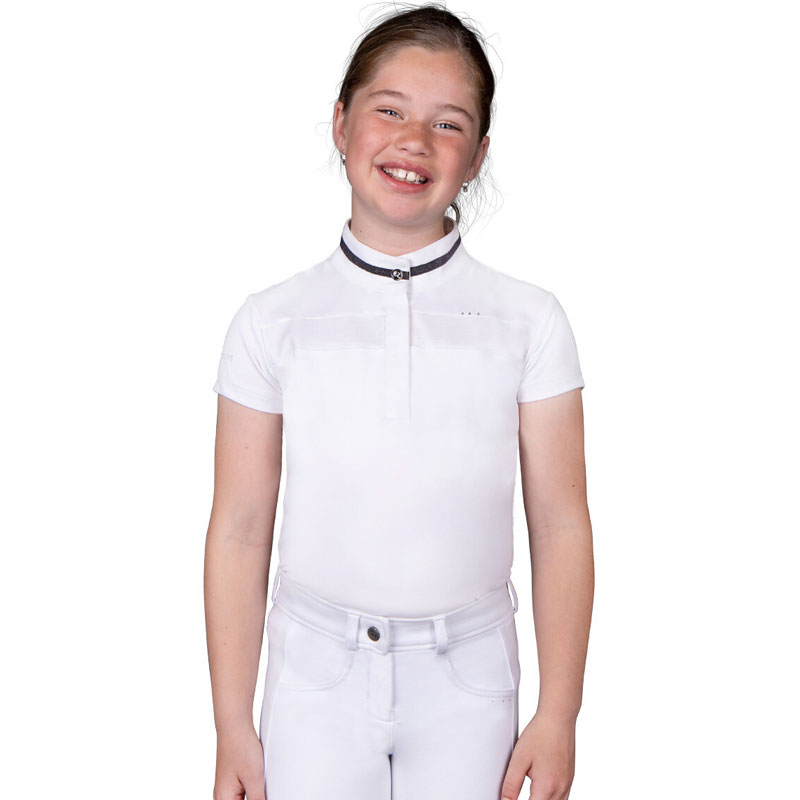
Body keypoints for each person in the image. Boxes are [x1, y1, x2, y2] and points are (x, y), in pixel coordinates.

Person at [204, 4, 594, 800]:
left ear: (478, 156)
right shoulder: (272, 322)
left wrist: (559, 714)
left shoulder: (529, 321)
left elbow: (560, 524)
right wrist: (232, 725)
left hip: (469, 678)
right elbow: (240, 530)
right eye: (389, 111)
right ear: (341, 123)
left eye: (448, 124)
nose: (414, 140)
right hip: (314, 677)